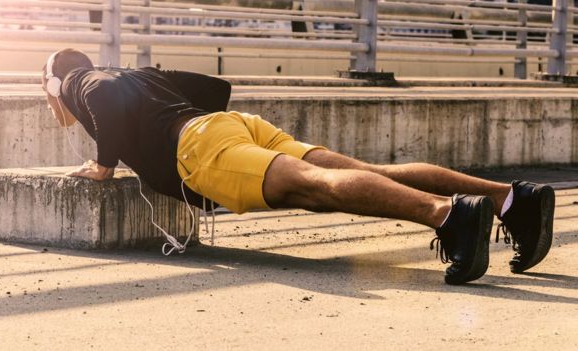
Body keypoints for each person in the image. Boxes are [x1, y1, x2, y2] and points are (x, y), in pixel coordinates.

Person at [41, 48, 555, 285]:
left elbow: (102, 95)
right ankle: (512, 200)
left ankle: (450, 216)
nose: (51, 102)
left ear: (52, 81)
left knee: (318, 187)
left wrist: (103, 162)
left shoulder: (79, 81)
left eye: (46, 91)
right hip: (232, 126)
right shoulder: (133, 71)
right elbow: (214, 90)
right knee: (371, 172)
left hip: (201, 146)